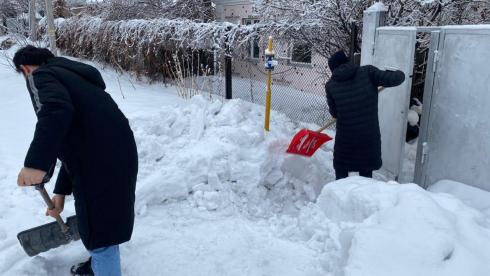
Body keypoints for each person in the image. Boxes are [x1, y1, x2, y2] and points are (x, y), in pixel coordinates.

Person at [14, 46, 138, 276]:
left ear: (25, 68)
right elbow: (76, 141)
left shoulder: (40, 76)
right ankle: (100, 265)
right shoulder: (74, 76)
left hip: (98, 161)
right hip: (117, 153)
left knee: (100, 230)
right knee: (107, 218)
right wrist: (60, 193)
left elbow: (56, 112)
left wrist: (36, 164)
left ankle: (105, 268)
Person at [326, 50, 405, 180]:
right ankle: (363, 199)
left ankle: (340, 198)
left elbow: (334, 113)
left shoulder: (331, 85)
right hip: (368, 137)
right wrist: (398, 72)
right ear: (347, 61)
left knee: (341, 174)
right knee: (366, 176)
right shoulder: (368, 72)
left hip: (345, 139)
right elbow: (397, 79)